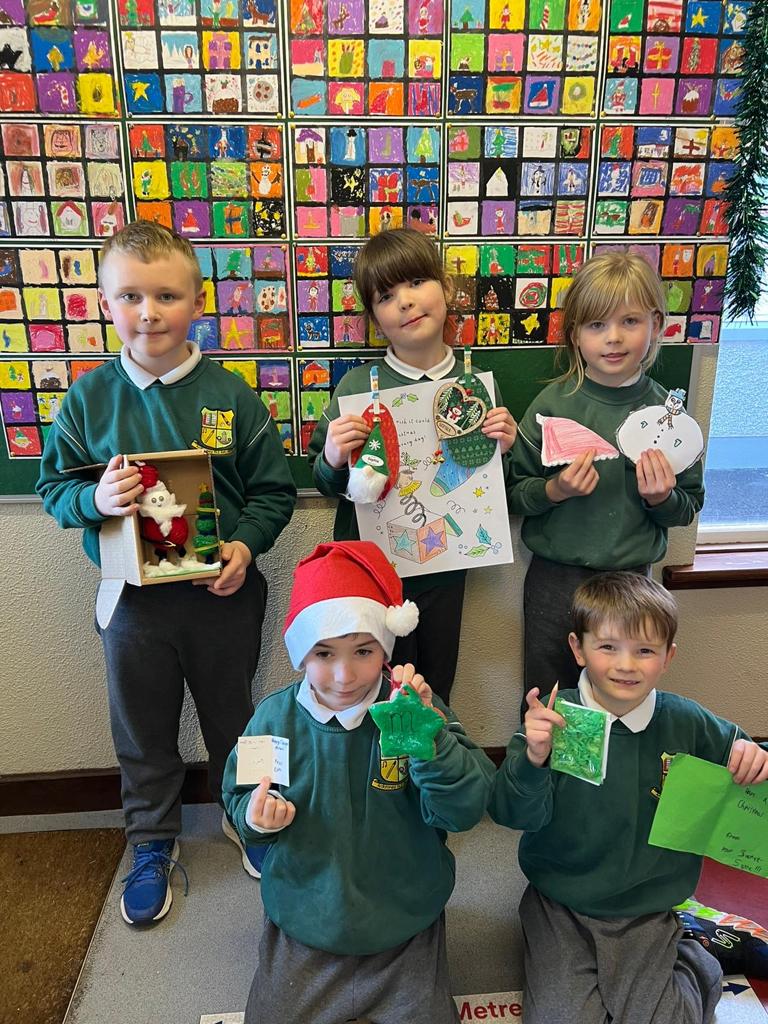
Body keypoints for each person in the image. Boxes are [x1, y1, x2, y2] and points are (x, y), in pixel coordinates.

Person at [36, 222, 297, 926]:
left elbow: (273, 493)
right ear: (105, 304)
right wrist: (94, 500)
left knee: (234, 716)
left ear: (198, 303)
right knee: (142, 725)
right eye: (129, 296)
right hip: (132, 603)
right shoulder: (87, 400)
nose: (148, 312)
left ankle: (246, 813)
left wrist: (244, 546)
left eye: (166, 296)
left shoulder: (232, 396)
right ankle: (151, 838)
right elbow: (54, 489)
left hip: (223, 597)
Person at [222, 540, 495, 1024]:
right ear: (300, 654)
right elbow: (239, 795)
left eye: (364, 651)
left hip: (402, 915)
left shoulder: (414, 709)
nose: (344, 675)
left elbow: (465, 808)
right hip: (306, 914)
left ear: (386, 649)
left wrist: (428, 738)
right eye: (324, 653)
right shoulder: (274, 718)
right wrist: (255, 817)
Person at [489, 571, 768, 1024]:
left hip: (646, 906)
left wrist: (754, 756)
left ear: (668, 656)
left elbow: (745, 755)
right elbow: (508, 812)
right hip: (560, 901)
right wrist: (533, 759)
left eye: (644, 651)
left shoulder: (687, 721)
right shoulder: (552, 722)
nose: (626, 665)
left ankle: (695, 957)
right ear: (578, 648)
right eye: (608, 647)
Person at [307, 227, 518, 704]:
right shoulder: (356, 389)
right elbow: (324, 484)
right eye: (386, 295)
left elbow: (495, 486)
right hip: (373, 570)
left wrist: (503, 449)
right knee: (376, 687)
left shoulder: (474, 385)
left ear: (446, 287)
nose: (405, 301)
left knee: (435, 687)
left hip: (448, 566)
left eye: (417, 282)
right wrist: (333, 457)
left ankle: (433, 752)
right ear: (374, 317)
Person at [508, 252, 704, 710]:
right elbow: (514, 494)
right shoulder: (552, 405)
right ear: (575, 334)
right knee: (549, 698)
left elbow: (689, 505)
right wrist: (556, 490)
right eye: (596, 325)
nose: (613, 338)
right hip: (555, 580)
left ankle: (617, 760)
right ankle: (542, 761)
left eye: (629, 321)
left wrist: (662, 498)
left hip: (632, 579)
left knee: (621, 696)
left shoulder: (669, 419)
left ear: (656, 325)